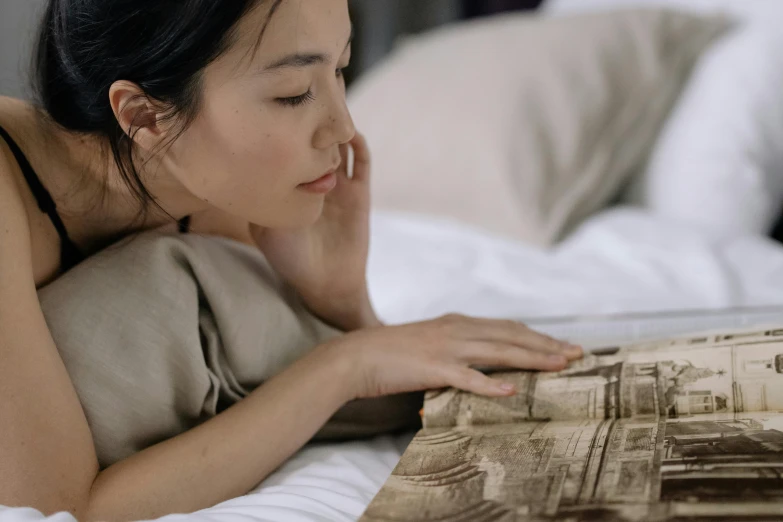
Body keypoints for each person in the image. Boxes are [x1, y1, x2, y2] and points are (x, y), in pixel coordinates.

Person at [0, 0, 583, 519]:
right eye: (294, 93)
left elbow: (343, 386)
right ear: (146, 117)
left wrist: (341, 300)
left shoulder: (206, 187)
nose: (344, 125)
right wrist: (343, 362)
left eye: (340, 68)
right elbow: (61, 508)